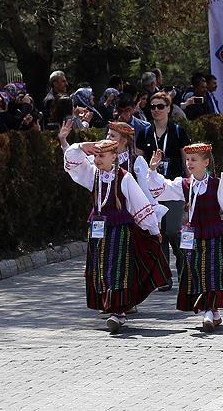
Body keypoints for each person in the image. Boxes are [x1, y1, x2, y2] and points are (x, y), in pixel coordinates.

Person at [62, 139, 170, 333]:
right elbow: (71, 160)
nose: (97, 159)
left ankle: (118, 312)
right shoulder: (92, 174)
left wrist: (153, 230)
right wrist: (81, 146)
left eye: (101, 156)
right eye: (95, 156)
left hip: (119, 232)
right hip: (98, 231)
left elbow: (140, 205)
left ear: (114, 157)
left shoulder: (124, 177)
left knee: (118, 270)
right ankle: (109, 306)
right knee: (100, 270)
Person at [147, 143, 223, 331]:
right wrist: (153, 170)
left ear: (206, 162)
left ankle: (208, 310)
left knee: (213, 273)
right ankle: (213, 312)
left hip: (214, 234)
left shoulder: (217, 184)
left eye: (194, 160)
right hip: (193, 236)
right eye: (188, 159)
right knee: (197, 272)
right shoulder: (184, 184)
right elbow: (161, 188)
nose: (189, 163)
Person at [136, 92, 191, 290]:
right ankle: (163, 277)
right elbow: (139, 163)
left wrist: (190, 187)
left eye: (160, 106)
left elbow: (187, 162)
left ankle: (185, 272)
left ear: (169, 108)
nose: (156, 110)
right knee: (158, 233)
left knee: (174, 230)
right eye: (153, 107)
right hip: (152, 191)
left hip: (174, 188)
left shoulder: (178, 131)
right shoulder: (144, 132)